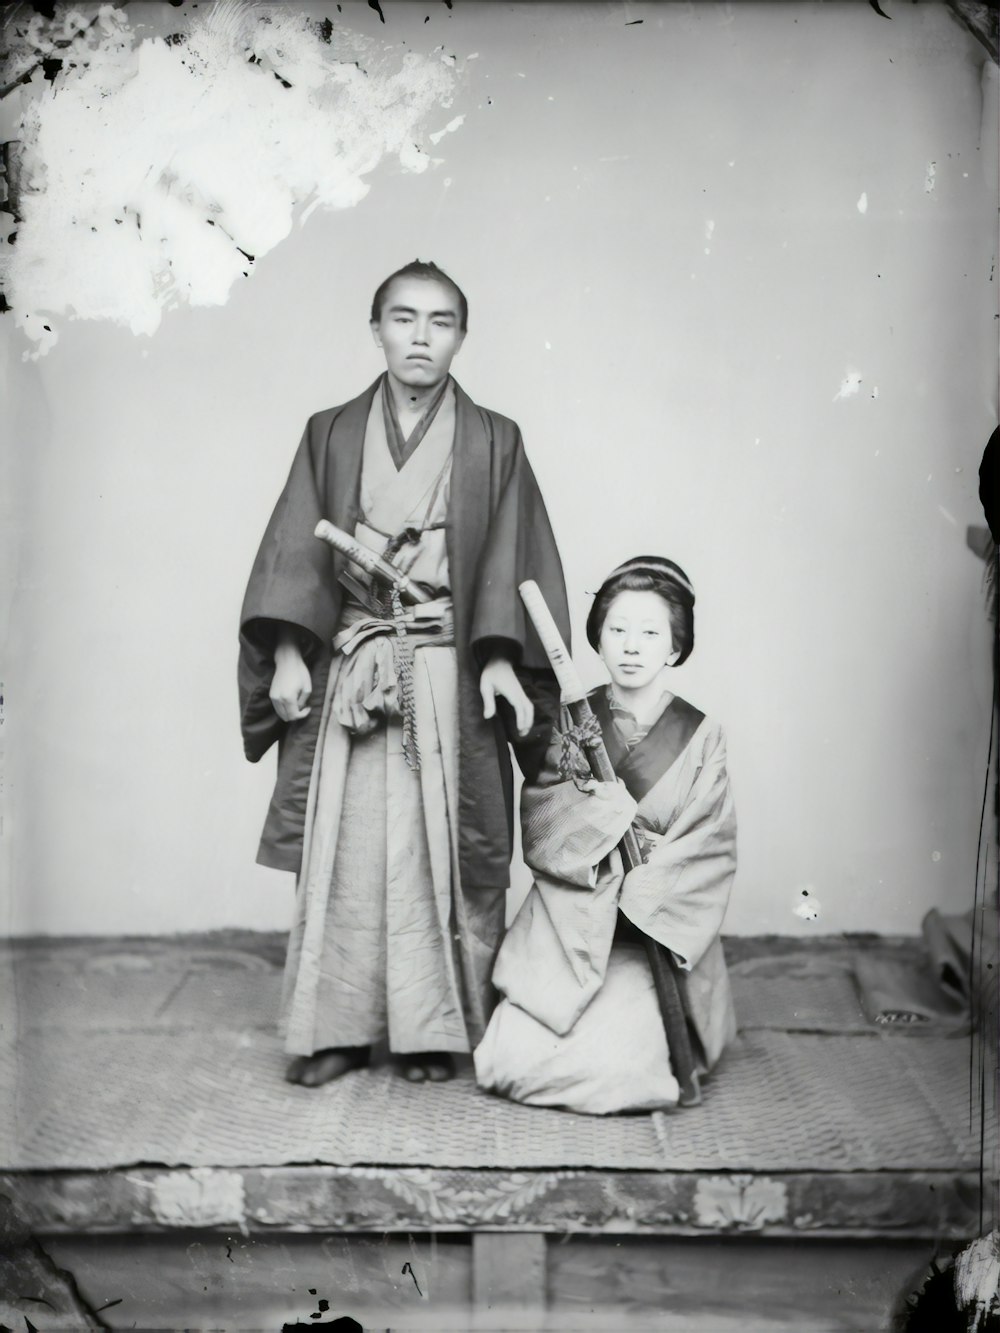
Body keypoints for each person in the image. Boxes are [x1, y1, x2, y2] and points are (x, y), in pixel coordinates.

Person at [238, 260, 568, 1087]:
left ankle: (430, 1030)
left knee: (438, 848)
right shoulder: (331, 432)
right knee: (346, 849)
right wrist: (285, 651)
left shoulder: (496, 438)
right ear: (376, 326)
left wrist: (498, 661)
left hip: (445, 667)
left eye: (441, 321)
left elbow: (509, 561)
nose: (421, 337)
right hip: (352, 663)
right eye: (404, 318)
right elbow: (292, 554)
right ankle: (337, 1026)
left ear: (463, 333)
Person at [474, 555, 737, 1114]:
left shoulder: (701, 734)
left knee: (623, 1070)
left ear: (674, 647)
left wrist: (646, 879)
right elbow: (543, 818)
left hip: (650, 930)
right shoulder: (575, 719)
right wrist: (606, 821)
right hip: (576, 923)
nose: (632, 645)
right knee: (508, 1060)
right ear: (598, 639)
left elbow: (709, 841)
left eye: (650, 632)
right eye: (617, 630)